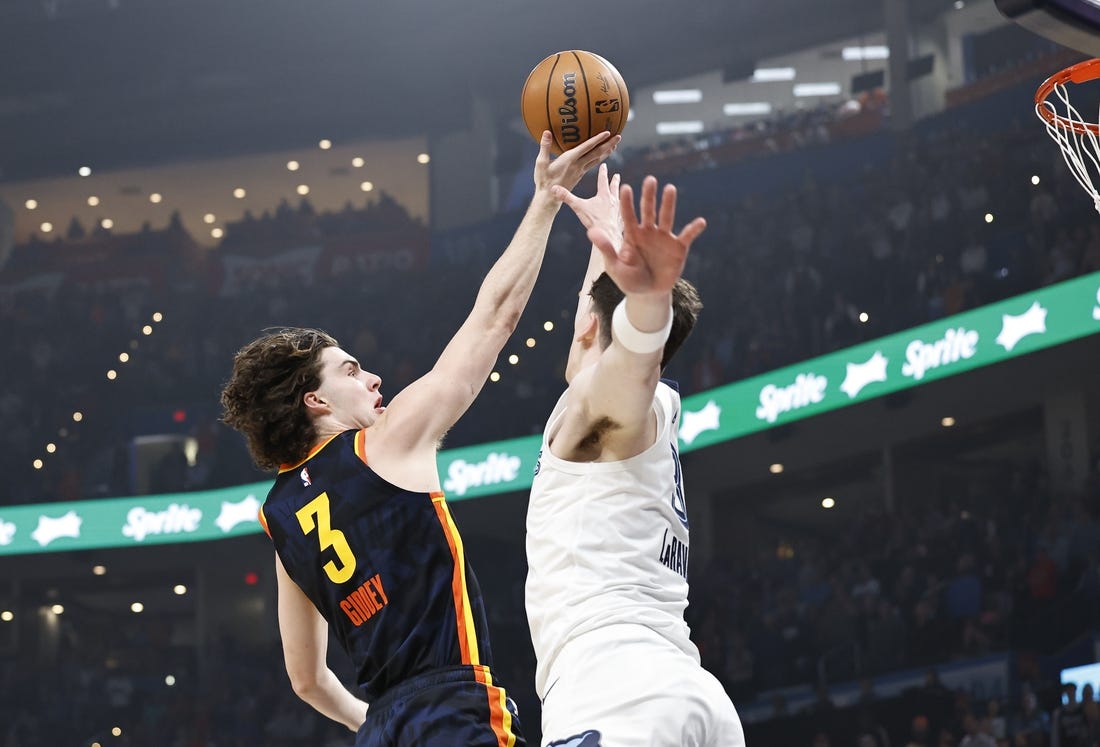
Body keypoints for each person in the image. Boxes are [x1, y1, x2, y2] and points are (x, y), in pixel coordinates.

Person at [220, 129, 619, 746]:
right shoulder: (382, 445)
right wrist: (546, 197)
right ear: (316, 400)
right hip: (451, 705)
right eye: (351, 370)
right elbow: (495, 318)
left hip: (384, 730)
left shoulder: (281, 519)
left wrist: (380, 725)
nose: (373, 376)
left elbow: (306, 680)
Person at [524, 165, 744, 746]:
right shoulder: (655, 408)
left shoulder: (603, 411)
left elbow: (628, 361)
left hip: (615, 690)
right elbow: (609, 340)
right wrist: (608, 241)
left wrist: (647, 303)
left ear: (591, 327)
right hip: (683, 687)